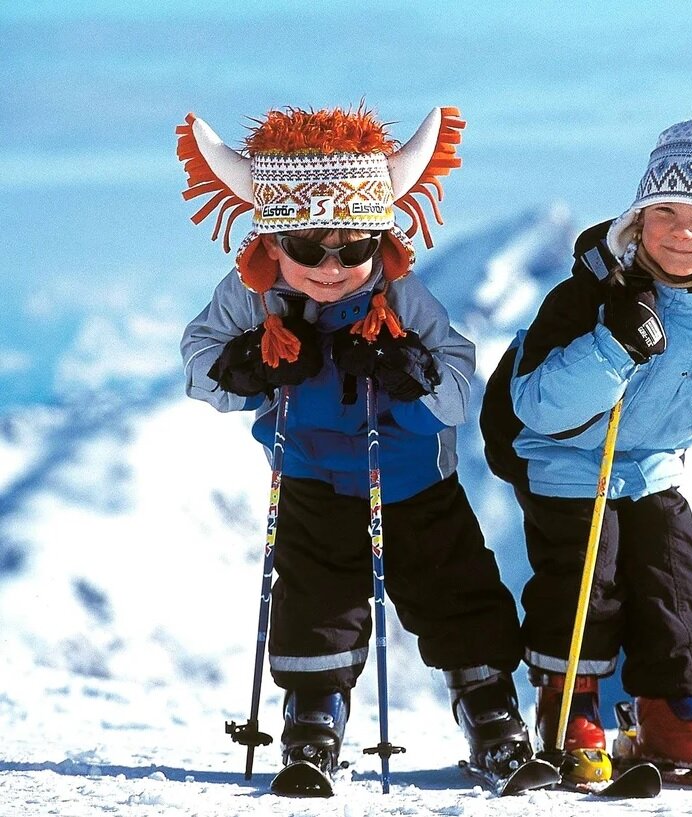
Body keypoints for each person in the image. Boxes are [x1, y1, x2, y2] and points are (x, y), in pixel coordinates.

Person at [177, 105, 532, 779]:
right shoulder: (251, 295)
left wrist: (414, 372)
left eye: (355, 246)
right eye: (310, 248)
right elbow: (199, 364)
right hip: (309, 476)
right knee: (315, 595)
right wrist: (247, 363)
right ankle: (313, 711)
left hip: (413, 481)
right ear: (273, 241)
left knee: (453, 590)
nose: (333, 267)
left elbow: (458, 386)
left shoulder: (400, 294)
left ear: (381, 239)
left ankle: (488, 705)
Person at [480, 118, 692, 782]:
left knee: (675, 579)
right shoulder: (589, 296)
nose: (680, 230)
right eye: (664, 212)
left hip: (655, 464)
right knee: (581, 578)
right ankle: (569, 706)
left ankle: (667, 710)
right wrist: (615, 345)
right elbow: (538, 404)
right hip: (568, 461)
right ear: (638, 219)